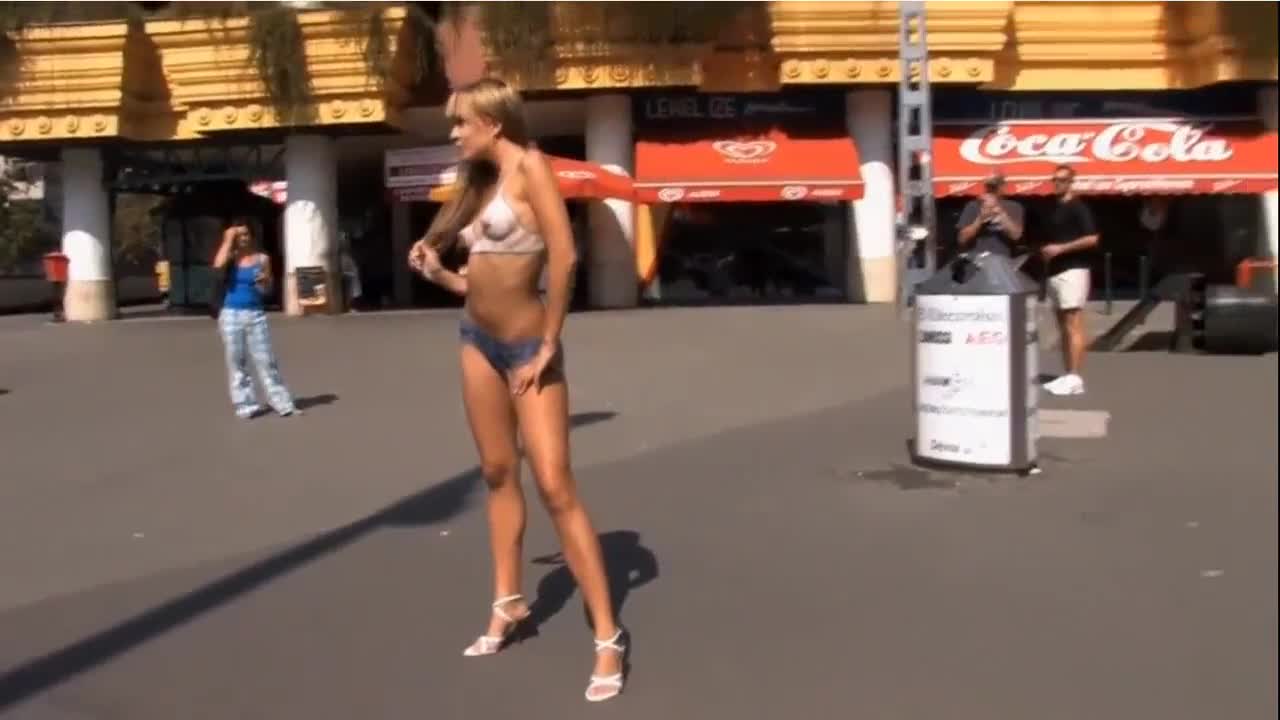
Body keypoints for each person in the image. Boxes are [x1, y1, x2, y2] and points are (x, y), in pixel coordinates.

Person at [407, 78, 625, 703]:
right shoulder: (479, 184)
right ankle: (507, 601)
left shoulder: (532, 167)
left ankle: (607, 636)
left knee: (555, 484)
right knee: (498, 473)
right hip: (475, 340)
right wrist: (439, 272)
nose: (454, 133)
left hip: (530, 348)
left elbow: (565, 257)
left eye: (462, 122)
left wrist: (551, 340)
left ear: (494, 123)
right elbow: (477, 283)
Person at [211, 220, 299, 419]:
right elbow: (217, 266)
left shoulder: (262, 259)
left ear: (251, 236)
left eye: (245, 234)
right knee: (237, 362)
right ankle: (245, 404)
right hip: (231, 314)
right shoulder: (230, 258)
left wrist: (265, 282)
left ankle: (281, 402)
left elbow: (266, 290)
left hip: (255, 314)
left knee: (266, 360)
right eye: (238, 235)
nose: (242, 238)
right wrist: (228, 238)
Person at [1040, 165, 1100, 396]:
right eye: (1055, 179)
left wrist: (1061, 248)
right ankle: (1068, 375)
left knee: (1073, 322)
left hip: (1074, 270)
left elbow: (1092, 238)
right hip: (1055, 271)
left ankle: (1075, 377)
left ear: (1071, 182)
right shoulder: (1054, 207)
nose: (1057, 183)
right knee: (1062, 326)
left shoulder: (1078, 207)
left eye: (1062, 180)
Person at [955, 172, 1025, 257]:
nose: (992, 189)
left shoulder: (1014, 206)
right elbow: (962, 239)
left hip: (1001, 259)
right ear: (985, 186)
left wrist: (1000, 212)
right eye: (990, 185)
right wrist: (980, 219)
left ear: (1003, 186)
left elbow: (1016, 235)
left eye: (996, 185)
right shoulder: (973, 205)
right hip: (975, 259)